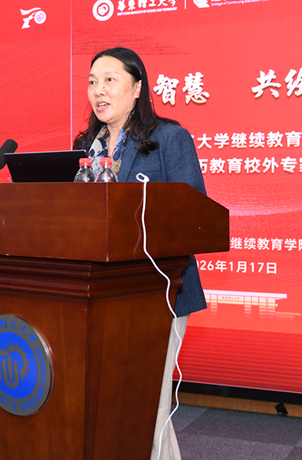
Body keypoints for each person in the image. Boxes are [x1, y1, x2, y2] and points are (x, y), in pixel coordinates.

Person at [74, 47, 207, 460]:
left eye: (110, 80)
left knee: (146, 405)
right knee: (129, 407)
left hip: (160, 291)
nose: (98, 90)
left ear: (137, 89)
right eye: (92, 82)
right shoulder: (84, 146)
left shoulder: (168, 138)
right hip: (101, 292)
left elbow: (193, 216)